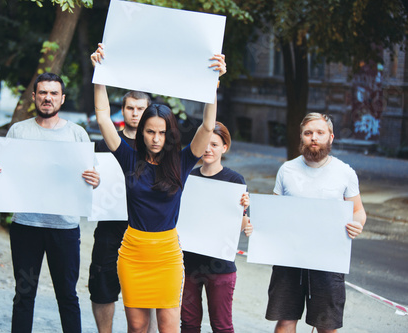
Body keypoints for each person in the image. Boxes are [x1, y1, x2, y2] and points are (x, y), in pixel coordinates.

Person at [91, 44, 226, 333]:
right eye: (150, 131)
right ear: (142, 132)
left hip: (167, 254)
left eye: (162, 132)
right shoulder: (129, 157)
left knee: (168, 327)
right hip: (132, 253)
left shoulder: (183, 160)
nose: (155, 138)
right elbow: (103, 117)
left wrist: (212, 84)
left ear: (170, 134)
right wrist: (99, 73)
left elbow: (207, 126)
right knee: (137, 327)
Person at [0, 72, 100, 333]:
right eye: (43, 93)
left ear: (62, 99)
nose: (48, 97)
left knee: (67, 296)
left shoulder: (77, 134)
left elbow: (93, 179)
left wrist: (96, 179)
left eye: (54, 93)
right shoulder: (19, 131)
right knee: (24, 295)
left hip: (65, 229)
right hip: (26, 226)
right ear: (34, 96)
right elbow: (5, 172)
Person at [265, 112, 367, 333]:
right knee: (285, 321)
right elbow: (274, 212)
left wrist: (357, 224)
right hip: (288, 257)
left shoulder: (345, 172)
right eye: (308, 133)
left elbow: (358, 211)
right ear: (301, 137)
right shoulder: (287, 170)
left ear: (331, 137)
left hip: (328, 259)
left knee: (326, 325)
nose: (314, 137)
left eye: (320, 133)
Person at [88, 90, 159, 333]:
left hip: (144, 230)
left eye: (141, 108)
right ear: (123, 109)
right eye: (131, 108)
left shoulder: (158, 147)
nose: (135, 113)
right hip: (109, 226)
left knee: (143, 291)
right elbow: (90, 188)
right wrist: (92, 181)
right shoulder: (105, 143)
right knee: (101, 286)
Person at [180, 121, 252, 333]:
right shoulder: (189, 177)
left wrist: (244, 211)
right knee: (189, 324)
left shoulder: (235, 180)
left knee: (221, 326)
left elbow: (240, 227)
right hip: (189, 263)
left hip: (220, 265)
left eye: (215, 144)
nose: (208, 149)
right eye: (205, 143)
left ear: (224, 147)